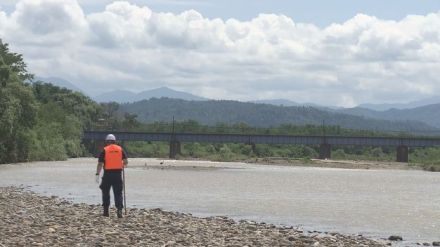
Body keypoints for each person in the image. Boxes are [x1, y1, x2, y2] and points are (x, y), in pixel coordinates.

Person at [95, 134, 128, 218]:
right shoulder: (120, 149)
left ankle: (106, 211)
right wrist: (122, 164)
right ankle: (119, 209)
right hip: (117, 174)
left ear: (106, 142)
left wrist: (97, 174)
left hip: (107, 174)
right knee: (118, 193)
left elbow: (100, 164)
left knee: (105, 192)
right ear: (115, 141)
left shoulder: (104, 150)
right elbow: (125, 161)